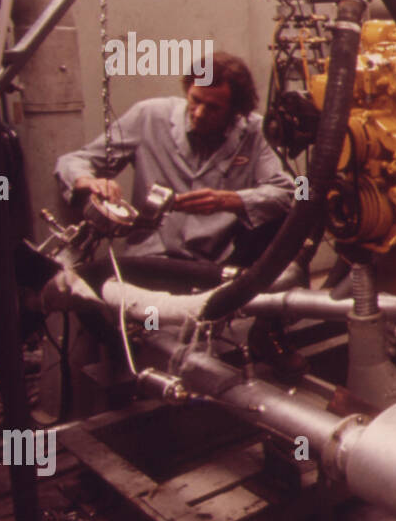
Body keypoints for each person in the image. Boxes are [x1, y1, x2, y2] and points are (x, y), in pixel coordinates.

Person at [55, 51, 308, 378]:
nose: (199, 113)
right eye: (195, 100)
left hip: (216, 263)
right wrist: (88, 181)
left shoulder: (254, 133)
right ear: (187, 90)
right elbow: (73, 160)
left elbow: (289, 191)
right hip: (151, 258)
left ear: (236, 112)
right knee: (118, 326)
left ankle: (267, 331)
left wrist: (229, 200)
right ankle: (126, 357)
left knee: (292, 217)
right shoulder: (150, 117)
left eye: (213, 107)